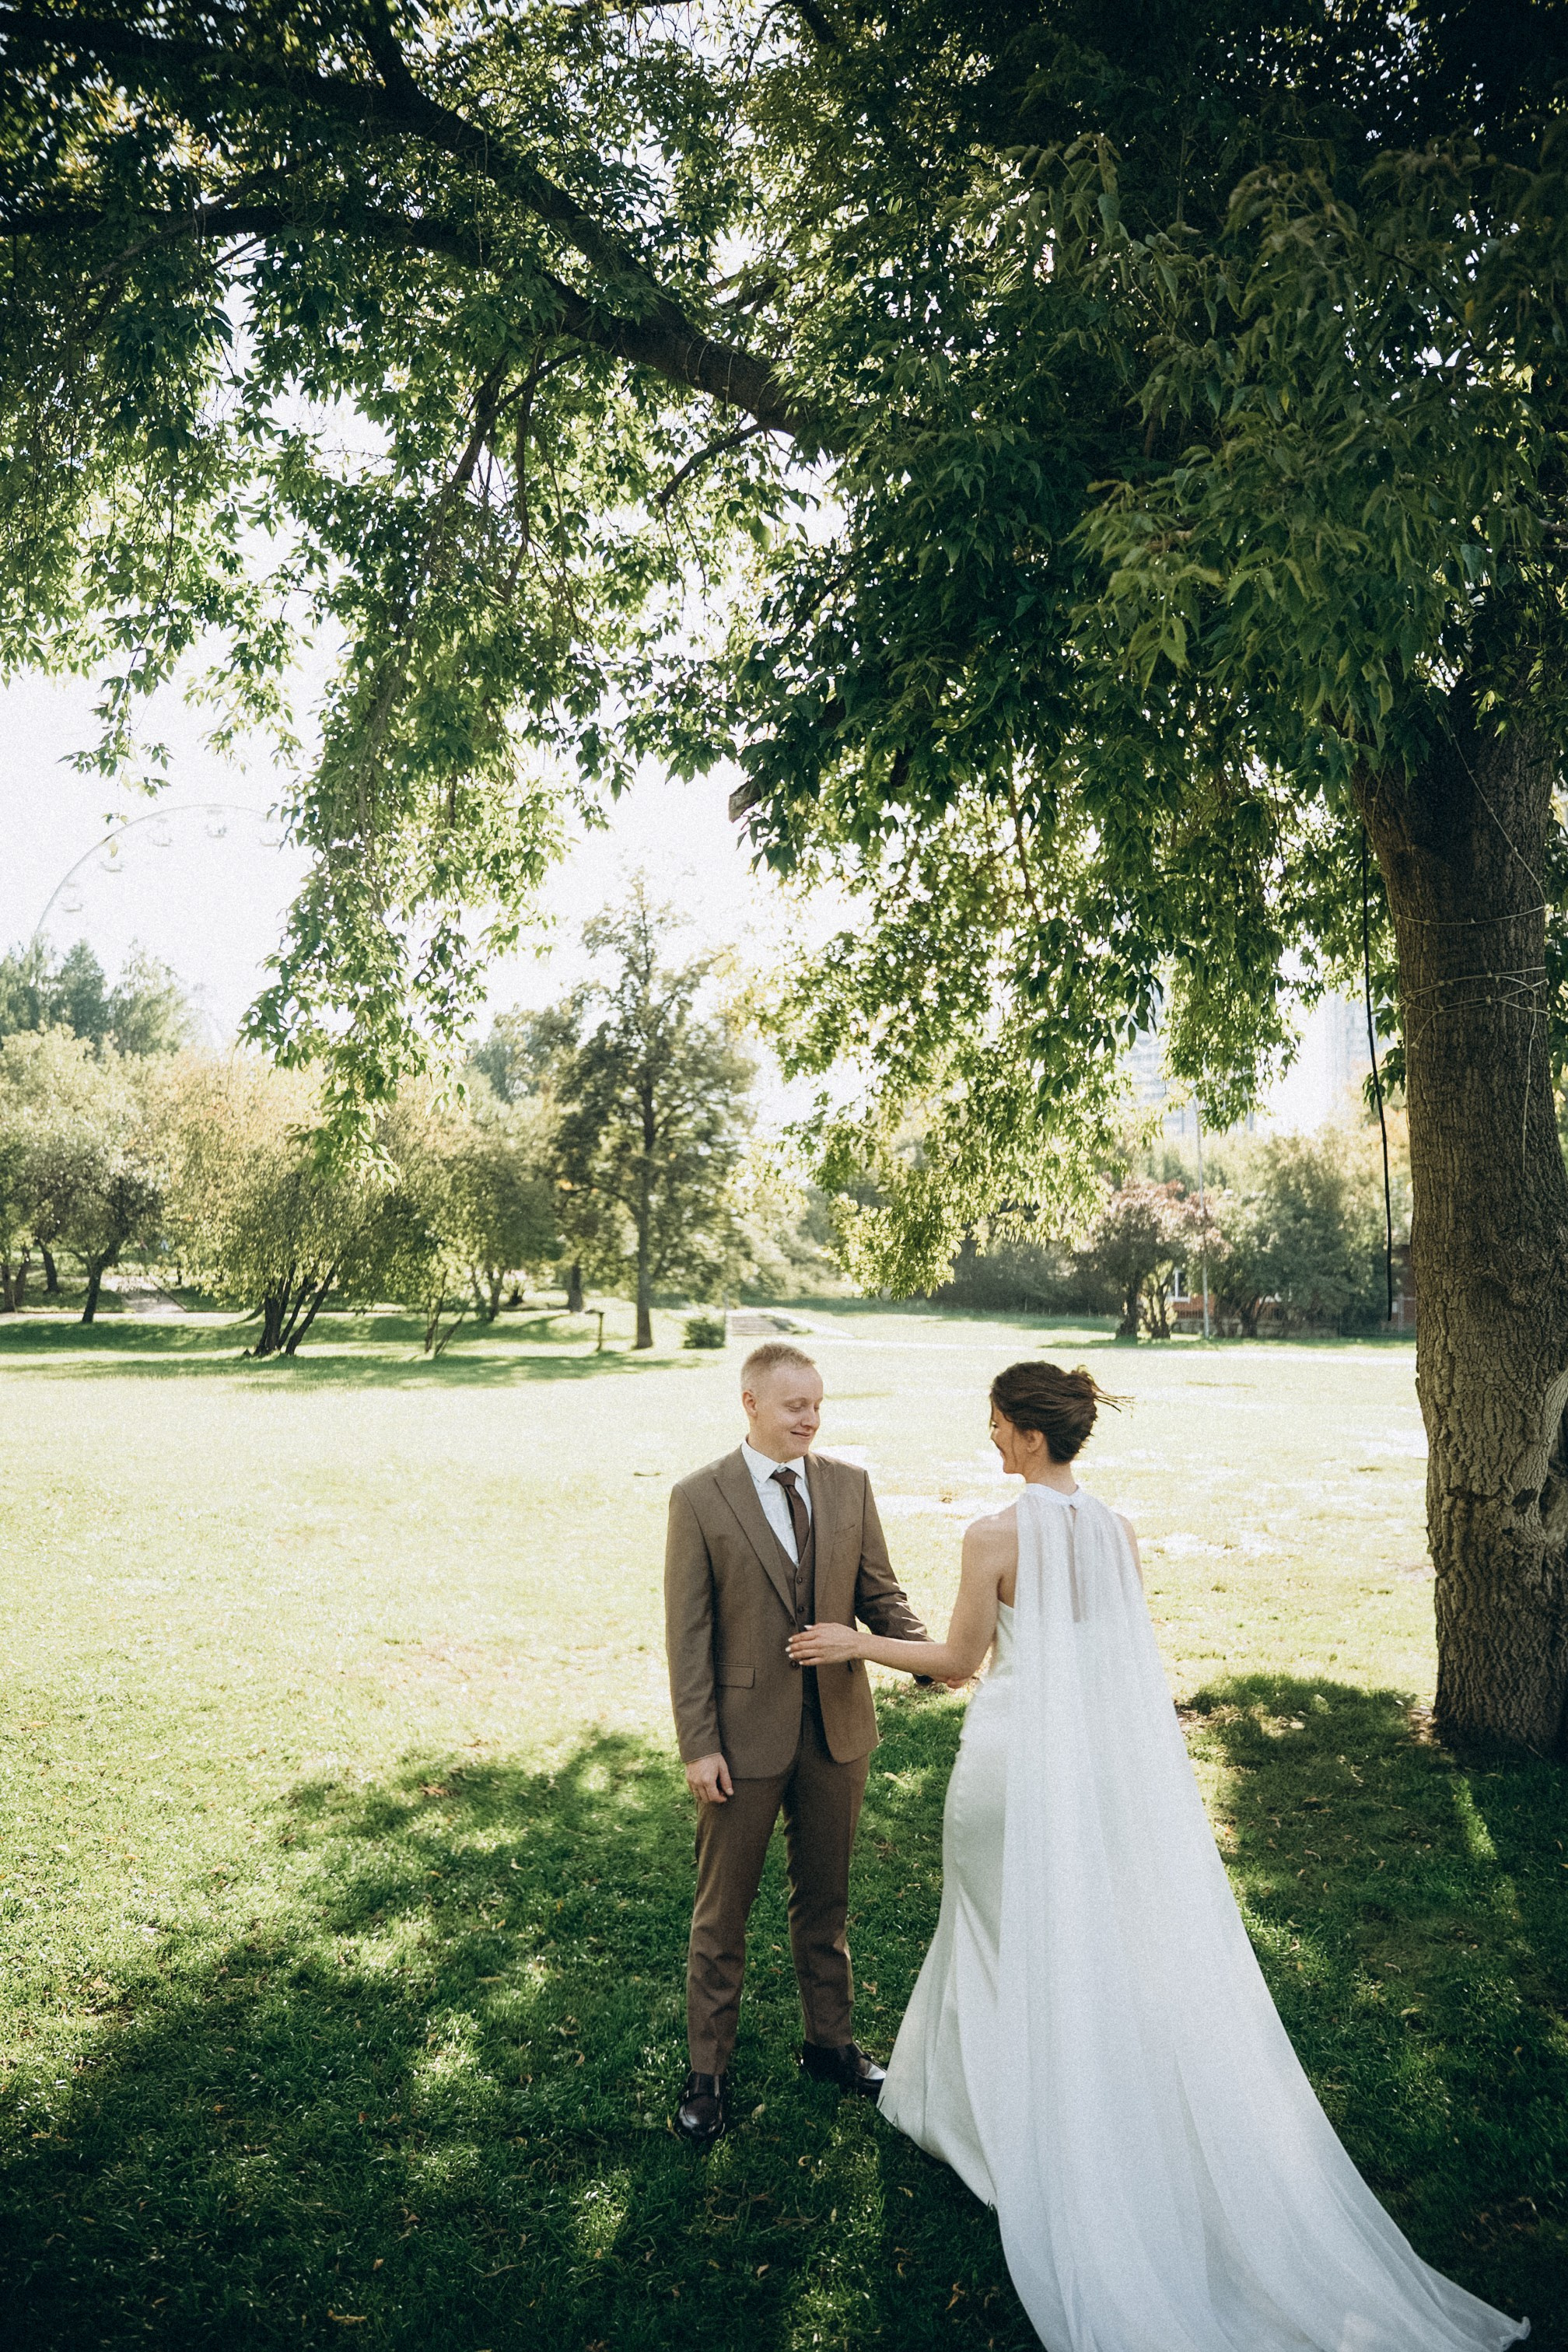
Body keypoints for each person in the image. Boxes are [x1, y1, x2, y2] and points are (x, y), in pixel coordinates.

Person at [788, 1360, 1528, 2352]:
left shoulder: (995, 1535)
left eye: (998, 1425)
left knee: (992, 1933)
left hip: (1011, 1769)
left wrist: (855, 1643)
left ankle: (1004, 2127)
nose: (992, 1440)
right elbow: (1107, 1661)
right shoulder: (1116, 1531)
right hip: (1090, 1768)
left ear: (1031, 1434)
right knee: (1073, 1943)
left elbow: (960, 1663)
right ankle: (1010, 2103)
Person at [663, 1339, 932, 2150]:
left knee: (827, 1902)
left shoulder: (849, 1485)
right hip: (740, 1745)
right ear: (751, 1404)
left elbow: (881, 1594)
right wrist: (699, 1744)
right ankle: (707, 2074)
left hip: (837, 1735)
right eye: (794, 1405)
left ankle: (831, 2047)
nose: (810, 1418)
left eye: (817, 1403)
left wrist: (931, 1660)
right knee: (723, 1912)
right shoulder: (700, 1498)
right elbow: (689, 1636)